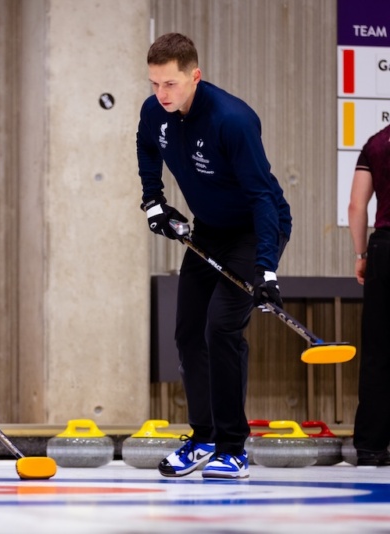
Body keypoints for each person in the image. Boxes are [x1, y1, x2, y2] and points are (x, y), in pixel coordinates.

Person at [136, 33, 292, 480]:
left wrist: (266, 269)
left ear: (195, 76)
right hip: (208, 231)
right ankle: (203, 438)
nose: (162, 94)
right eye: (154, 84)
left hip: (253, 231)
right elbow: (146, 145)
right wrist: (153, 201)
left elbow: (262, 198)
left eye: (170, 83)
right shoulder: (155, 112)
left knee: (221, 328)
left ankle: (232, 448)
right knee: (188, 332)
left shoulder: (232, 120)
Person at [348, 123, 390, 467]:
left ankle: (371, 446)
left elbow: (356, 206)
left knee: (378, 350)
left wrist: (361, 254)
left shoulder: (377, 143)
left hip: (384, 250)